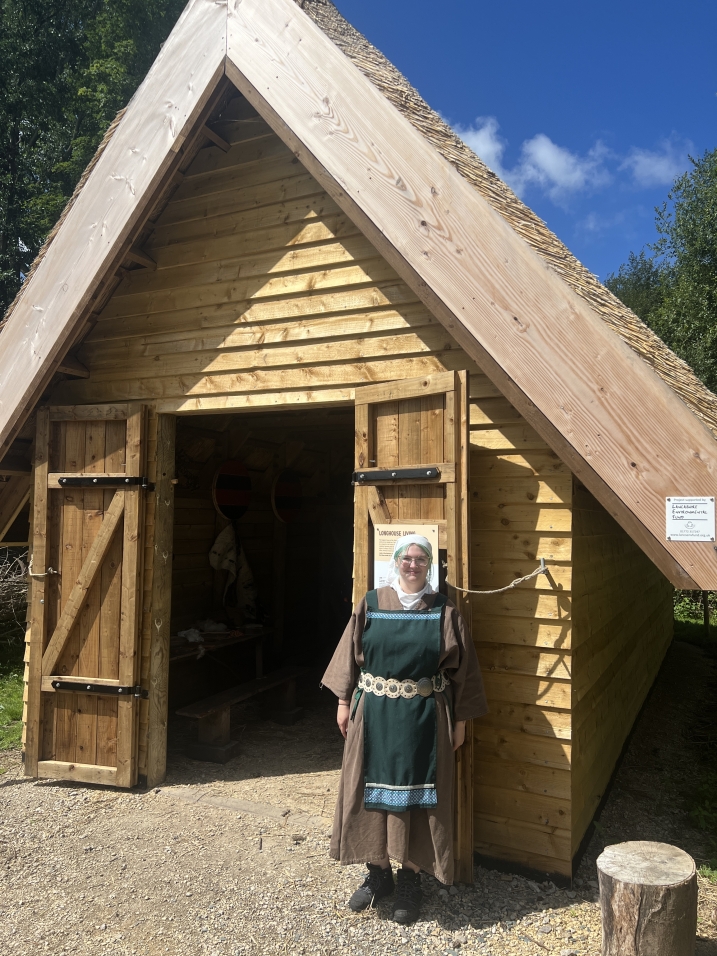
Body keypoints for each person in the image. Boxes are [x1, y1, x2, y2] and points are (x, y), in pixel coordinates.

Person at [322, 534, 487, 925]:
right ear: (395, 562)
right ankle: (379, 875)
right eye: (406, 558)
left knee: (418, 801)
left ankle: (410, 880)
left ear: (430, 565)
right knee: (368, 794)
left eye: (420, 559)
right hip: (373, 717)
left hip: (424, 723)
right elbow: (350, 655)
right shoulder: (372, 603)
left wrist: (460, 722)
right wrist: (344, 702)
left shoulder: (445, 611)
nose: (412, 564)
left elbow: (465, 673)